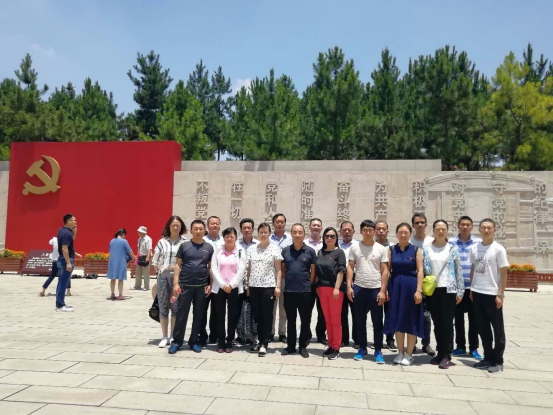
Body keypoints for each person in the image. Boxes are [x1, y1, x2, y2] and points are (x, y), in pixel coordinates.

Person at [422, 220, 464, 369]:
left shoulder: (452, 248)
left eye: (443, 229)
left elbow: (458, 270)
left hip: (448, 289)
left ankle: (447, 354)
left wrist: (460, 291)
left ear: (447, 231)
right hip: (433, 290)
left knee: (447, 323)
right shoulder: (426, 249)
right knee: (437, 322)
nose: (441, 231)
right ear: (433, 230)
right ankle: (440, 352)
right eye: (438, 229)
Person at [169, 220, 214, 354]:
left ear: (204, 230)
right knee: (181, 314)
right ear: (191, 230)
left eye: (201, 229)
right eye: (196, 229)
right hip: (185, 285)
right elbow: (178, 265)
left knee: (199, 315)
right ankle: (177, 342)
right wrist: (176, 283)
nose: (198, 231)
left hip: (201, 286)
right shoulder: (184, 246)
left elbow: (211, 268)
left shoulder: (209, 247)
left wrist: (210, 284)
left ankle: (194, 341)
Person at [470, 218, 509, 374]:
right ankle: (487, 357)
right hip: (477, 292)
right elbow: (474, 268)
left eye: (489, 228)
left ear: (494, 230)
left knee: (497, 329)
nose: (486, 230)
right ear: (479, 230)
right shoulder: (474, 248)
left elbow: (503, 273)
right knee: (482, 327)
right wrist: (471, 289)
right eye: (483, 228)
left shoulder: (499, 249)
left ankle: (498, 360)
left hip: (492, 294)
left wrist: (500, 294)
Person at [347, 220, 389, 364]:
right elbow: (350, 267)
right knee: (359, 321)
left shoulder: (381, 249)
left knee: (377, 322)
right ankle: (362, 348)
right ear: (361, 232)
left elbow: (385, 270)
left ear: (375, 231)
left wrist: (383, 290)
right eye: (365, 230)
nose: (368, 232)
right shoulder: (355, 247)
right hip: (359, 288)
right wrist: (349, 286)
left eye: (370, 230)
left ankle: (378, 350)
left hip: (375, 289)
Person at [383, 223, 424, 366]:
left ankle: (409, 354)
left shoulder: (416, 250)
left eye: (406, 232)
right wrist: (385, 289)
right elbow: (387, 270)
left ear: (410, 234)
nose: (403, 235)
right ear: (396, 234)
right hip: (395, 287)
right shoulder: (391, 250)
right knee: (397, 318)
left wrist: (419, 290)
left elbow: (420, 271)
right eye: (400, 232)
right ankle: (400, 352)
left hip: (411, 287)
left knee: (411, 319)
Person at [449, 216, 483, 360]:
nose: (464, 227)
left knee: (474, 319)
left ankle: (474, 348)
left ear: (471, 227)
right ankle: (460, 346)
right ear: (458, 226)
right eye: (462, 224)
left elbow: (480, 264)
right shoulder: (451, 242)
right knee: (458, 319)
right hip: (457, 287)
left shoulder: (478, 243)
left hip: (473, 287)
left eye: (467, 225)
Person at [281, 224, 317, 358]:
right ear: (291, 234)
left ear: (304, 234)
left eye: (300, 232)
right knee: (291, 320)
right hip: (289, 291)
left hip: (305, 292)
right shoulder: (285, 251)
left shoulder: (310, 251)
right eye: (295, 232)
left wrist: (307, 283)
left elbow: (313, 271)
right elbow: (283, 270)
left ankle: (303, 346)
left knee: (305, 320)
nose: (297, 235)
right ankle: (290, 346)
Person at [248, 222, 283, 357]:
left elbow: (279, 270)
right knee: (257, 315)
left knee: (267, 315)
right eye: (261, 232)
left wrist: (278, 286)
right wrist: (248, 286)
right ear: (258, 233)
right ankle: (257, 340)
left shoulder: (274, 249)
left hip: (268, 286)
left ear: (269, 233)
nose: (263, 234)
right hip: (254, 286)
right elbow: (249, 269)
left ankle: (264, 343)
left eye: (266, 232)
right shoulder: (251, 249)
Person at [152, 216, 188, 348]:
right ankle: (164, 336)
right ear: (169, 226)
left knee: (176, 307)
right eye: (173, 225)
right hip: (164, 277)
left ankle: (173, 335)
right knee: (163, 306)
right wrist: (163, 269)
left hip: (178, 279)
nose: (176, 227)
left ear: (181, 227)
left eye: (178, 225)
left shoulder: (185, 242)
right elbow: (155, 262)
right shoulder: (162, 242)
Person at [211, 227, 247, 353]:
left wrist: (231, 285)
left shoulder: (240, 251)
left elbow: (241, 270)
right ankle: (221, 341)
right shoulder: (217, 251)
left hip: (234, 288)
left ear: (236, 237)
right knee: (220, 315)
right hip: (219, 288)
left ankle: (230, 340)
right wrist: (222, 285)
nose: (229, 239)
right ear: (224, 238)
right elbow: (214, 268)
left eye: (232, 236)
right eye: (227, 237)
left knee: (232, 315)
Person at [317, 227, 347, 360]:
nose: (329, 238)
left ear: (336, 238)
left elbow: (341, 271)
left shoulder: (339, 252)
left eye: (332, 236)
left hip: (334, 289)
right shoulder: (320, 252)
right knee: (327, 319)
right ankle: (330, 345)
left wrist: (337, 287)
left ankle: (336, 347)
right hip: (322, 288)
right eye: (327, 236)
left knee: (335, 319)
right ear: (324, 238)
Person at [410, 212, 435, 357]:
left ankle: (426, 343)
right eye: (417, 222)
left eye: (422, 222)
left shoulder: (432, 241)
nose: (419, 225)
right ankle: (412, 343)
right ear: (413, 225)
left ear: (426, 224)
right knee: (412, 314)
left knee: (426, 315)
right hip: (412, 281)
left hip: (428, 282)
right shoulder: (409, 241)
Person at [374, 221, 398, 352]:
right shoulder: (370, 246)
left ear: (388, 231)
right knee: (376, 315)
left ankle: (390, 339)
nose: (381, 231)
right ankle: (377, 340)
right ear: (375, 231)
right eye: (378, 229)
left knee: (389, 313)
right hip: (373, 284)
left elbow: (391, 268)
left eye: (384, 229)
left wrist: (387, 287)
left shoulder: (393, 248)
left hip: (389, 284)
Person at [236, 218, 259, 345]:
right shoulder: (236, 244)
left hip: (254, 282)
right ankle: (240, 335)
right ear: (241, 230)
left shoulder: (258, 244)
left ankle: (252, 335)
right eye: (244, 228)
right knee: (239, 309)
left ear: (252, 229)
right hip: (238, 282)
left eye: (249, 228)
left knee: (253, 309)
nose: (247, 230)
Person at [201, 216, 223, 346]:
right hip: (204, 279)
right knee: (202, 308)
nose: (214, 225)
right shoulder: (202, 240)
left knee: (217, 309)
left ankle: (215, 335)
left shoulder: (224, 241)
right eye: (212, 223)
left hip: (220, 280)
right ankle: (202, 335)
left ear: (220, 225)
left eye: (217, 223)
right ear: (208, 226)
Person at [269, 213, 291, 343]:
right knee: (271, 308)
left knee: (284, 307)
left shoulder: (290, 239)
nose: (279, 224)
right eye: (277, 221)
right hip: (270, 277)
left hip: (285, 277)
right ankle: (270, 332)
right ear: (273, 223)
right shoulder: (268, 238)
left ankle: (282, 332)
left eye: (282, 222)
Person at [305, 218, 327, 346]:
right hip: (307, 281)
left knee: (322, 310)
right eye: (314, 225)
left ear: (321, 228)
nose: (316, 227)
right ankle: (306, 334)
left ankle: (321, 334)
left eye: (318, 225)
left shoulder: (326, 243)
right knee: (306, 310)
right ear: (309, 227)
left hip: (323, 281)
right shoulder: (304, 243)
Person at [338, 221, 358, 348]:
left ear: (353, 231)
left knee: (356, 311)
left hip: (355, 279)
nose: (346, 232)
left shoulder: (358, 245)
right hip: (339, 279)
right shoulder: (336, 245)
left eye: (349, 230)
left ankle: (357, 339)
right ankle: (343, 339)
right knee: (341, 311)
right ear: (340, 231)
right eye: (344, 230)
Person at [56, 214, 77, 312]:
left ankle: (59, 303)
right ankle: (60, 305)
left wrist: (74, 232)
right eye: (74, 220)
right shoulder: (67, 233)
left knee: (61, 282)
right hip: (65, 260)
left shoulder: (62, 231)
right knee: (63, 283)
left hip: (61, 259)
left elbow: (70, 242)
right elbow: (64, 248)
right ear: (69, 221)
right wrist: (68, 262)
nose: (76, 222)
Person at [107, 229, 135, 300]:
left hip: (112, 261)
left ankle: (112, 294)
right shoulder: (124, 241)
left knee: (113, 279)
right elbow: (130, 251)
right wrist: (133, 257)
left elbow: (110, 250)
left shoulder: (112, 241)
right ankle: (120, 295)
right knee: (120, 279)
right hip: (121, 261)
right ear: (123, 234)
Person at [134, 226, 152, 291]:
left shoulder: (148, 239)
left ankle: (146, 286)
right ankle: (137, 286)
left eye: (139, 232)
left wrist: (148, 257)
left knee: (146, 273)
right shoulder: (139, 239)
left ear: (143, 232)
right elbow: (139, 248)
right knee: (138, 272)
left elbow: (149, 249)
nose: (138, 233)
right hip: (140, 257)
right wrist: (137, 257)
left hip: (146, 257)